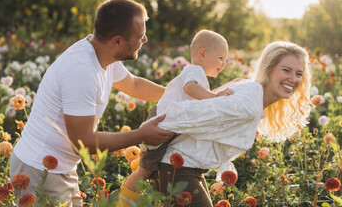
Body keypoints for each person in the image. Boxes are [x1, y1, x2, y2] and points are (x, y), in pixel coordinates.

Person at [9, 0, 174, 206]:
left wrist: (178, 95)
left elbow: (133, 85)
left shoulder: (103, 53)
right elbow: (83, 142)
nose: (146, 40)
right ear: (118, 42)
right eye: (140, 36)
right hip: (39, 170)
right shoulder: (82, 71)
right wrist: (141, 135)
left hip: (60, 168)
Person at [120, 41, 312, 206]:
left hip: (185, 167)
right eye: (286, 70)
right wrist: (148, 136)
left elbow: (212, 120)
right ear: (269, 70)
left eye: (299, 74)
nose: (293, 79)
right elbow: (195, 111)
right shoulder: (249, 101)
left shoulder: (251, 92)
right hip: (175, 167)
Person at [120, 30, 232, 199]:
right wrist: (215, 97)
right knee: (145, 170)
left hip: (169, 122)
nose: (224, 64)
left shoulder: (197, 74)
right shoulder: (195, 71)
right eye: (221, 58)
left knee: (150, 169)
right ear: (202, 54)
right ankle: (119, 201)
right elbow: (190, 88)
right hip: (161, 122)